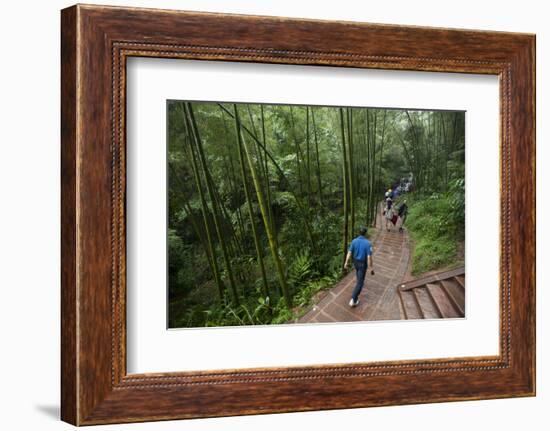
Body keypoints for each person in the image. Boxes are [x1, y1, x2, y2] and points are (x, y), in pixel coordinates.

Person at [344, 227, 375, 307]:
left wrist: (346, 262)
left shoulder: (354, 241)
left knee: (359, 277)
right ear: (365, 233)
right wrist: (371, 268)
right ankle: (353, 299)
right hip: (362, 264)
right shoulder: (368, 243)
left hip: (355, 262)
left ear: (359, 233)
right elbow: (369, 257)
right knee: (360, 283)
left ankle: (357, 288)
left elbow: (349, 252)